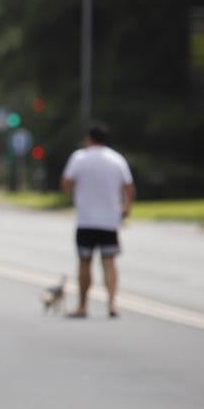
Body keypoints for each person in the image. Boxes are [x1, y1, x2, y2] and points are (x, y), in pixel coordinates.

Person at [61, 123, 135, 319]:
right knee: (109, 261)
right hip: (109, 220)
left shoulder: (79, 158)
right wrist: (126, 208)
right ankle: (112, 303)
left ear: (88, 138)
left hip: (86, 219)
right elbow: (129, 188)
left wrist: (78, 184)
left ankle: (83, 305)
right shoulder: (117, 159)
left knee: (85, 262)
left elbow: (66, 184)